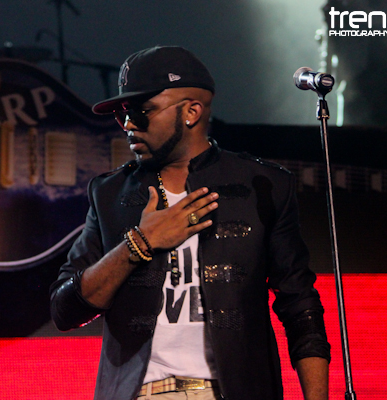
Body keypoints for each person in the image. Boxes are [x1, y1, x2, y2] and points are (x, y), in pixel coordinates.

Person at [50, 46, 331, 400]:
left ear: (192, 112)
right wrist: (138, 243)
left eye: (141, 111)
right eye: (122, 114)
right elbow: (65, 310)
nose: (128, 124)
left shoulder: (262, 186)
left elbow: (300, 306)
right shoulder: (109, 194)